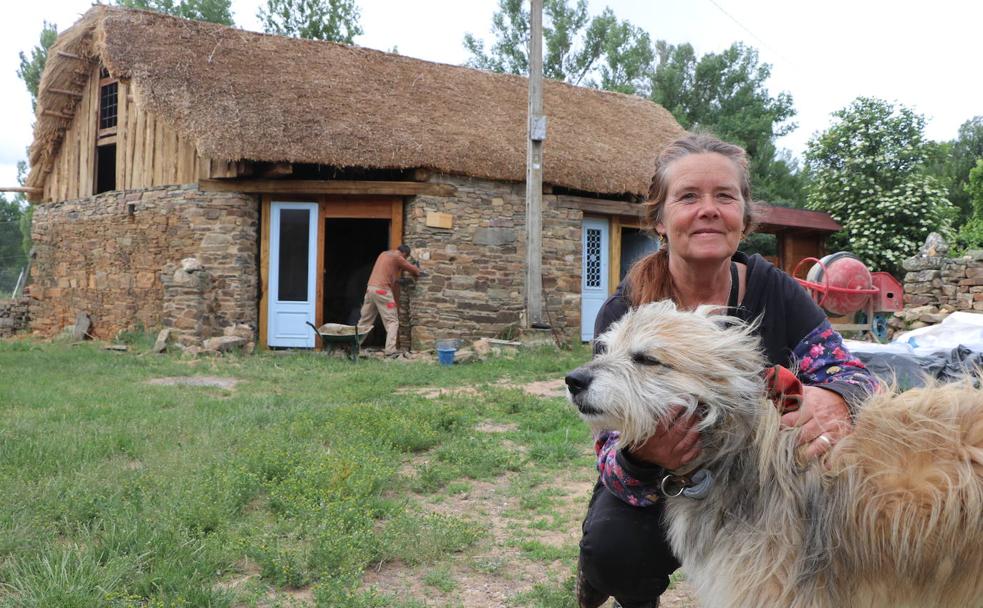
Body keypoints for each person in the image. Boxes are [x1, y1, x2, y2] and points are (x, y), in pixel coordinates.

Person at [576, 134, 880, 608]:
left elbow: (856, 374)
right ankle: (617, 585)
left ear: (744, 215)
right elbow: (611, 459)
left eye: (724, 196)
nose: (709, 209)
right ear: (660, 219)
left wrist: (836, 396)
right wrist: (644, 457)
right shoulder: (626, 311)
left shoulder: (775, 290)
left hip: (761, 475)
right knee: (615, 551)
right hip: (661, 481)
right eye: (689, 196)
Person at [356, 244, 422, 358]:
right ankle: (390, 350)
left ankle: (354, 345)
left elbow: (391, 272)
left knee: (365, 320)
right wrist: (417, 268)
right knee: (392, 321)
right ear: (404, 254)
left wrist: (397, 277)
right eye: (405, 257)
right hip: (382, 291)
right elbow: (414, 270)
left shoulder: (384, 254)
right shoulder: (398, 257)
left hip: (370, 289)